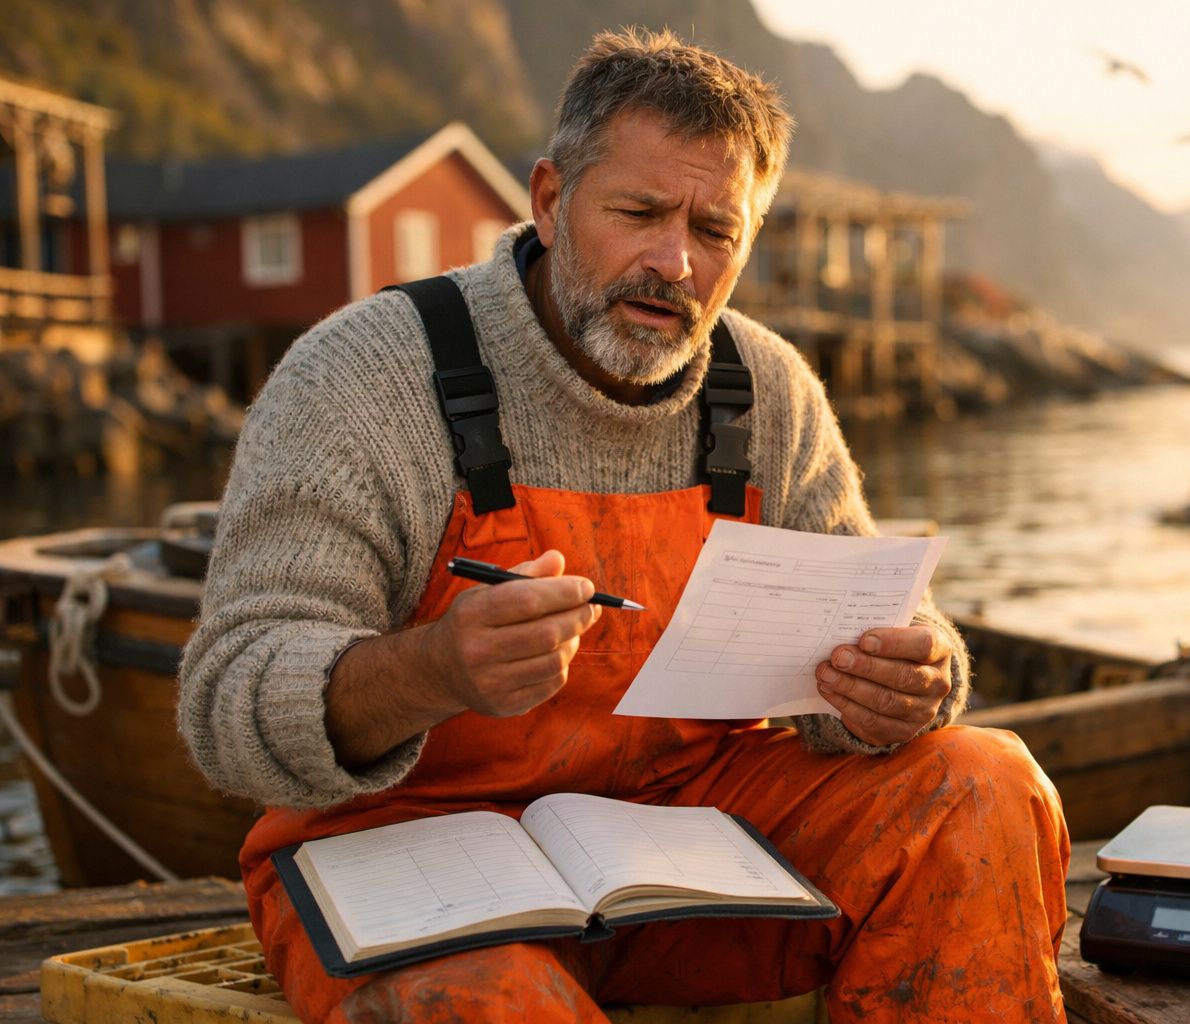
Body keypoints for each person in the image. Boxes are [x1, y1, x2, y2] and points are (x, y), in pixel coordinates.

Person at [178, 28, 1070, 1024]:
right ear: (552, 201)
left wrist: (912, 677)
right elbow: (227, 713)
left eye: (714, 232)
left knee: (983, 782)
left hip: (693, 857)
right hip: (408, 857)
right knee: (477, 997)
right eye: (639, 212)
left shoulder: (771, 387)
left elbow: (876, 640)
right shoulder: (361, 374)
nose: (674, 262)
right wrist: (433, 669)